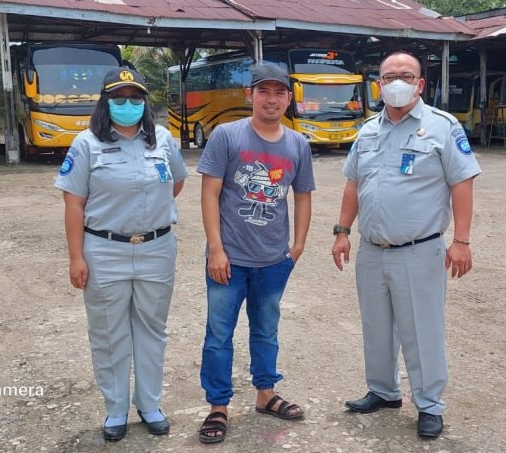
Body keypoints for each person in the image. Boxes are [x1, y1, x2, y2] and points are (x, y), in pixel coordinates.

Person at [331, 51, 481, 439]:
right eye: (389, 76)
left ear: (420, 84)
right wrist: (342, 231)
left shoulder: (443, 127)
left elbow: (461, 183)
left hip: (419, 250)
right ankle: (384, 391)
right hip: (371, 249)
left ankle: (429, 404)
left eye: (406, 75)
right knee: (376, 326)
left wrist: (461, 241)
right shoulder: (368, 130)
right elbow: (353, 184)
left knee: (421, 329)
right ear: (378, 84)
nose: (397, 82)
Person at [55, 67, 188, 442]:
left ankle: (149, 405)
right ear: (105, 101)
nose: (127, 104)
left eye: (135, 98)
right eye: (119, 98)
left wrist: (148, 215)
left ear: (145, 102)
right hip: (104, 250)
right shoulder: (86, 144)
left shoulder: (162, 139)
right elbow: (73, 203)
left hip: (156, 249)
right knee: (109, 333)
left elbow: (175, 182)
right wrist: (76, 257)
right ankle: (115, 410)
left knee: (151, 330)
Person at [196, 63, 315, 444]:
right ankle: (218, 405)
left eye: (279, 92)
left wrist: (297, 246)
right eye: (264, 91)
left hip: (273, 261)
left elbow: (303, 196)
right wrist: (216, 249)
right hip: (228, 260)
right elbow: (210, 194)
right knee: (219, 334)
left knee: (266, 330)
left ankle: (266, 393)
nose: (271, 99)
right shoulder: (227, 136)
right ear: (250, 95)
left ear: (289, 98)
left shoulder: (297, 144)